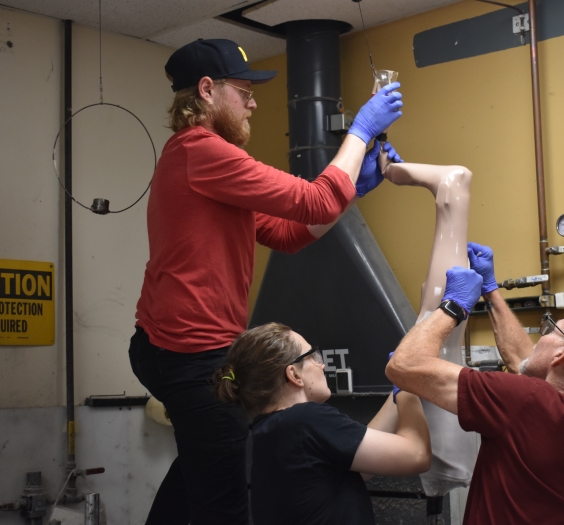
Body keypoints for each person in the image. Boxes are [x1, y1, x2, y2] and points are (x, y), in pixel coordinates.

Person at [128, 38, 403, 525]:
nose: (254, 101)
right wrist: (360, 131)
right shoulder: (202, 150)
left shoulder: (205, 161)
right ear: (208, 91)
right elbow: (314, 201)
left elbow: (287, 234)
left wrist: (350, 193)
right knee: (225, 501)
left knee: (204, 470)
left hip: (181, 350)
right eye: (245, 90)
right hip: (192, 356)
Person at [386, 242, 564, 525]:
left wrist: (453, 305)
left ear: (562, 353)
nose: (540, 338)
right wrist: (491, 291)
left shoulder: (527, 399)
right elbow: (524, 361)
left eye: (550, 329)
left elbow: (404, 365)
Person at [212, 322, 431, 525]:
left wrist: (399, 386)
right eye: (313, 356)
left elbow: (359, 456)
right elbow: (417, 456)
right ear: (294, 374)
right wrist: (408, 386)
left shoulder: (273, 429)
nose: (322, 364)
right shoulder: (306, 419)